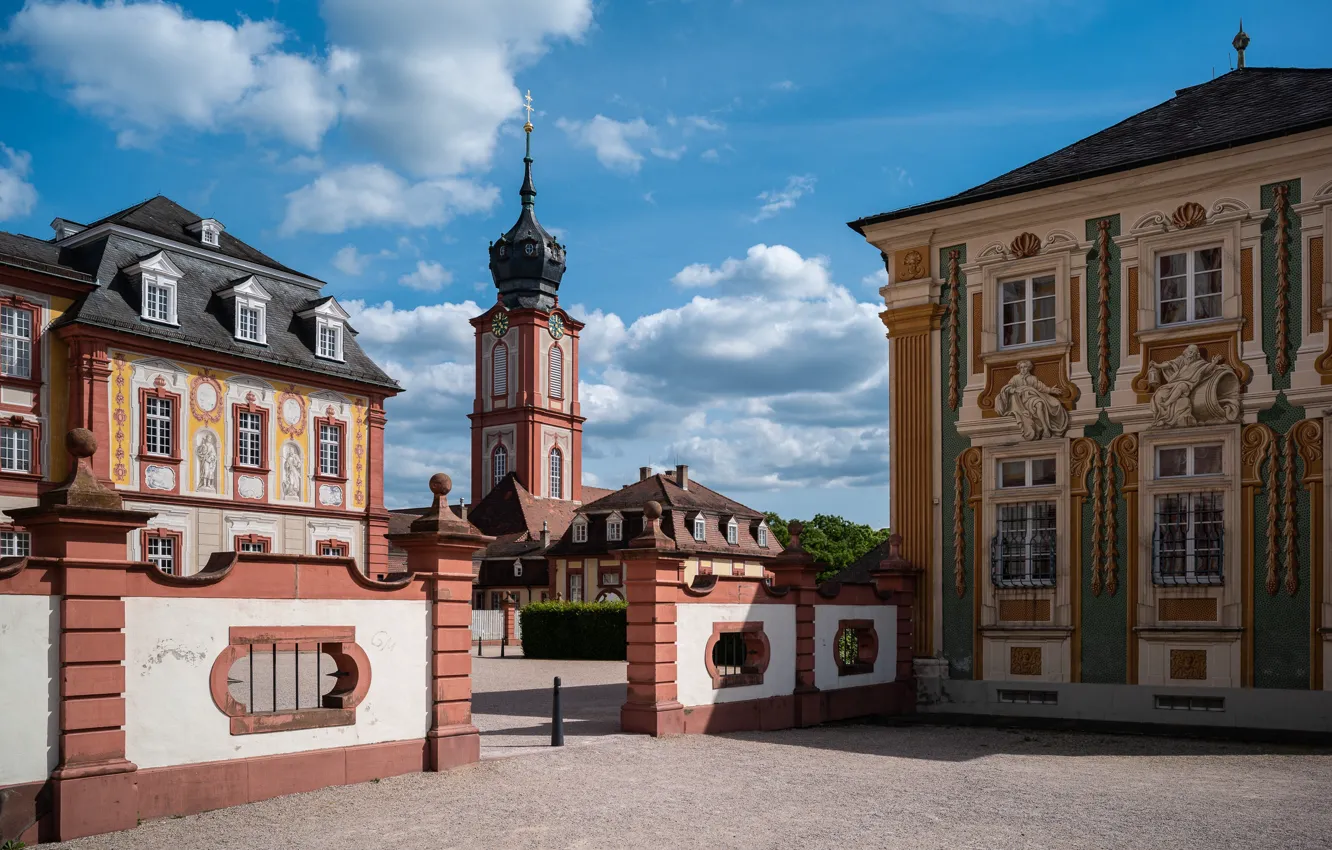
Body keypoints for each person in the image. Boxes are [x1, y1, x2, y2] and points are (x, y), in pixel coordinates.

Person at [995, 360, 1069, 441]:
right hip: (1021, 401)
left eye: (1025, 367)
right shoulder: (1015, 378)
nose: (1023, 369)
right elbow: (1007, 388)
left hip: (1032, 397)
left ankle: (1045, 427)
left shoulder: (1033, 378)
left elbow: (1041, 387)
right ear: (1019, 368)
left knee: (1040, 403)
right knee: (1038, 402)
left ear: (1029, 368)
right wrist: (1015, 390)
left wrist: (1051, 390)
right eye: (1021, 367)